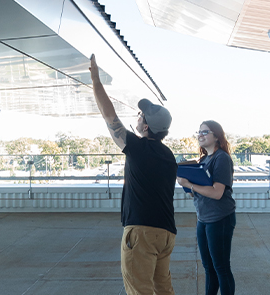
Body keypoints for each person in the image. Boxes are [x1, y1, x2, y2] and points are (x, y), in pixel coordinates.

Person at [90, 54, 178, 295]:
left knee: (139, 290)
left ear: (147, 126)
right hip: (166, 232)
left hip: (141, 232)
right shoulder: (168, 155)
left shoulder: (138, 149)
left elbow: (110, 118)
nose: (137, 118)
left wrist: (96, 81)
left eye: (141, 116)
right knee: (163, 289)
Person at [177, 120, 236, 295]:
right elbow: (195, 193)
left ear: (216, 136)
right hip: (203, 218)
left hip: (220, 219)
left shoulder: (222, 158)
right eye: (199, 132)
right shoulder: (204, 159)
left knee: (221, 267)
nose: (200, 135)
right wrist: (185, 183)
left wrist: (191, 184)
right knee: (209, 268)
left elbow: (217, 193)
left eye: (205, 132)